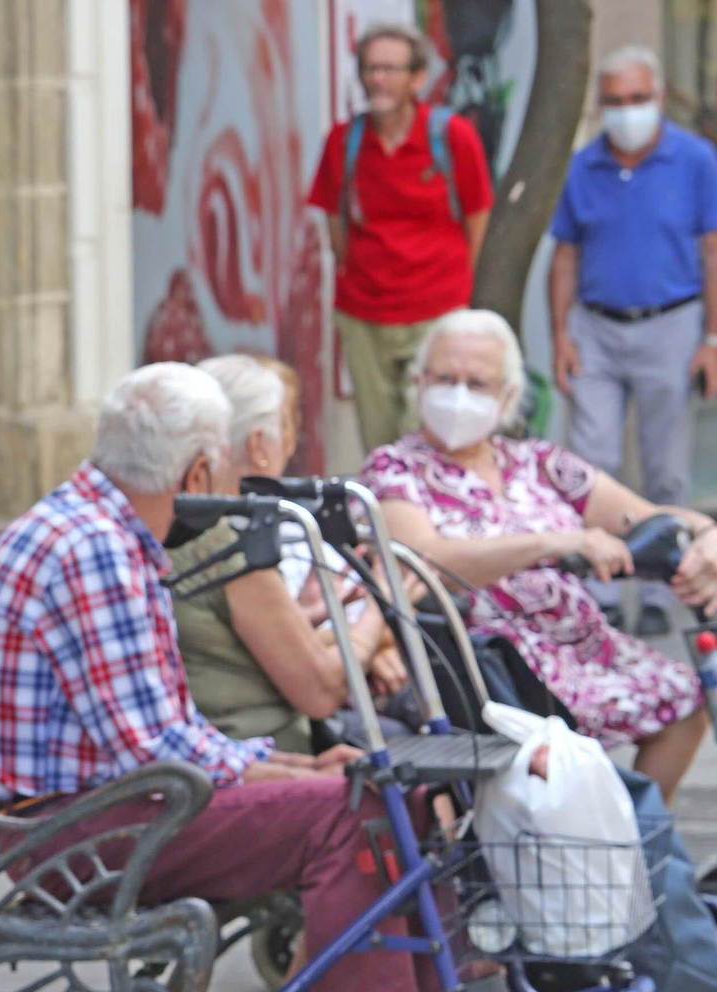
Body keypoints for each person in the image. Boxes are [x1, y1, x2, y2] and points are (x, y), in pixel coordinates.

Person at [0, 362, 451, 992]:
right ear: (197, 475)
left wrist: (289, 769)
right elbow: (156, 752)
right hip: (76, 837)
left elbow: (167, 739)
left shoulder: (98, 527)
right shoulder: (95, 548)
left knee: (387, 792)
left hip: (102, 812)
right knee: (359, 808)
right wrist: (300, 778)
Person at [362, 309, 717, 801]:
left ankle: (627, 838)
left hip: (588, 648)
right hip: (498, 667)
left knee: (688, 698)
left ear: (508, 396)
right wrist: (554, 543)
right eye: (445, 379)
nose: (459, 394)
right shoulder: (396, 468)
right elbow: (425, 557)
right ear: (419, 385)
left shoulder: (539, 462)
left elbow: (647, 517)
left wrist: (706, 534)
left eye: (477, 382)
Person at [548, 45, 717, 636]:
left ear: (660, 98)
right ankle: (597, 592)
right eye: (614, 102)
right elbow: (564, 255)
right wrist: (561, 336)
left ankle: (662, 593)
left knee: (666, 472)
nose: (626, 112)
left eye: (637, 99)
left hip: (673, 322)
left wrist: (712, 339)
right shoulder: (581, 165)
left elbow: (712, 250)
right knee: (591, 465)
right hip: (595, 326)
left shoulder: (696, 160)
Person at [172, 354, 414, 753]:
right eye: (287, 425)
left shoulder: (187, 525)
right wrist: (382, 603)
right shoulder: (224, 543)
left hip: (224, 747)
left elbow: (235, 652)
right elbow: (321, 691)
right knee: (419, 771)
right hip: (256, 753)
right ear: (258, 446)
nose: (293, 439)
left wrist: (307, 618)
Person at [308, 23, 495, 453]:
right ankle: (387, 518)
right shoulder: (344, 141)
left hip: (436, 308)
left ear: (417, 78)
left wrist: (460, 288)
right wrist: (355, 268)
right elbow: (334, 221)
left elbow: (478, 217)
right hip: (364, 310)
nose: (378, 79)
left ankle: (428, 517)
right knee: (377, 436)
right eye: (371, 69)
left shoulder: (451, 137)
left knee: (430, 430)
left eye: (391, 69)